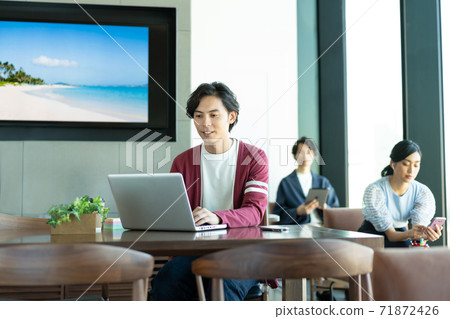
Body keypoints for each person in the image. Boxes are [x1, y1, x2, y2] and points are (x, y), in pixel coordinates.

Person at [151, 82, 269, 301]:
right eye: (198, 116)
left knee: (222, 282)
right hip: (194, 252)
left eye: (214, 115)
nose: (205, 124)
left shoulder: (254, 158)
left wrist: (216, 217)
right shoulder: (183, 162)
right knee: (166, 280)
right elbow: (175, 215)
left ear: (231, 117)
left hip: (242, 252)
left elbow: (254, 212)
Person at [358, 140, 442, 248]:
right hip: (373, 235)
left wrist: (427, 236)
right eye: (406, 164)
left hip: (402, 233)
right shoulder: (375, 190)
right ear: (392, 163)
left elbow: (416, 235)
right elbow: (391, 236)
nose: (411, 170)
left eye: (416, 165)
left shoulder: (422, 192)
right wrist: (411, 234)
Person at [273, 137, 339, 225]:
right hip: (298, 229)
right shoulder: (286, 183)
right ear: (294, 156)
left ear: (314, 156)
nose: (305, 156)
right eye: (301, 152)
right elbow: (278, 215)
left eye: (308, 152)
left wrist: (326, 208)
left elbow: (336, 210)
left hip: (323, 227)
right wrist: (297, 211)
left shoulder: (323, 182)